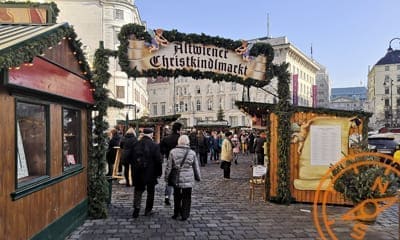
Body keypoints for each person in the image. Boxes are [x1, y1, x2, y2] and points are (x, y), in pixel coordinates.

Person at [164, 135, 201, 221]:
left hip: (176, 178)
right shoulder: (192, 153)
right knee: (187, 197)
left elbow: (169, 167)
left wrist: (166, 177)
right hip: (188, 178)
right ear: (188, 142)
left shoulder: (173, 152)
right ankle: (185, 214)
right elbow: (196, 167)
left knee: (177, 196)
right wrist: (198, 177)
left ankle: (176, 213)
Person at [131, 128, 162, 218]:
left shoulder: (136, 144)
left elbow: (131, 158)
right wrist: (159, 172)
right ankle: (148, 210)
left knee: (138, 190)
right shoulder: (154, 145)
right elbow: (158, 161)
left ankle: (136, 208)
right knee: (150, 192)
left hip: (138, 172)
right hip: (150, 173)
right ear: (151, 134)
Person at [159, 122, 183, 205]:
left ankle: (167, 197)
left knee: (169, 179)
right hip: (180, 161)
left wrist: (166, 153)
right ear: (178, 129)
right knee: (179, 179)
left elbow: (161, 150)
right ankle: (178, 196)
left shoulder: (166, 138)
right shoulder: (181, 139)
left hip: (169, 160)